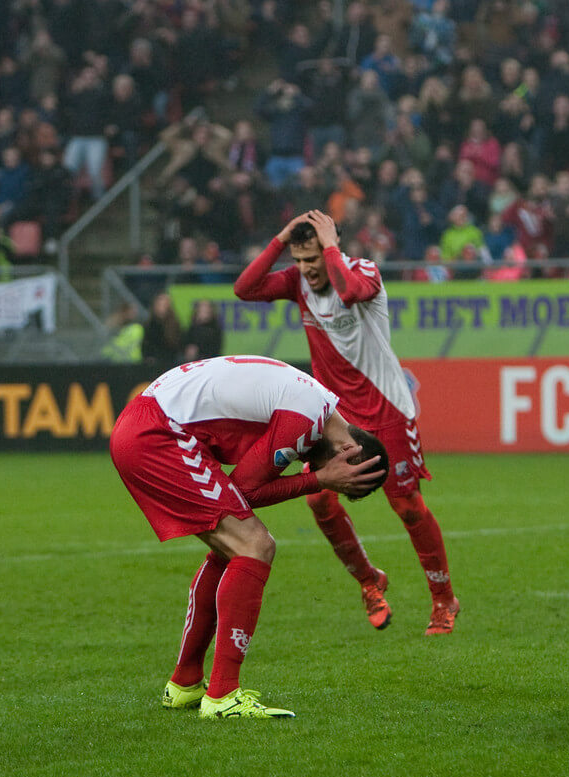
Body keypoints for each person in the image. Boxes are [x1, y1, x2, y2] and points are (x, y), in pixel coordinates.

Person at [110, 356, 387, 719]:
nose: (314, 470)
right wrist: (317, 481)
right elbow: (247, 489)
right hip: (159, 434)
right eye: (332, 472)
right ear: (349, 451)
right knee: (256, 545)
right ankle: (223, 695)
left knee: (233, 548)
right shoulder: (307, 419)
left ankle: (185, 683)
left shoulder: (312, 406)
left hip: (147, 422)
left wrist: (317, 478)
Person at [234, 210, 460, 634]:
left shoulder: (363, 271)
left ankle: (444, 600)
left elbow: (352, 291)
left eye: (312, 259)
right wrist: (281, 239)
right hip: (335, 414)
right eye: (298, 262)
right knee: (319, 499)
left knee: (407, 506)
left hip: (386, 409)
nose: (305, 270)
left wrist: (331, 246)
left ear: (331, 248)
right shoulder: (299, 281)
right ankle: (370, 582)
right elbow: (245, 288)